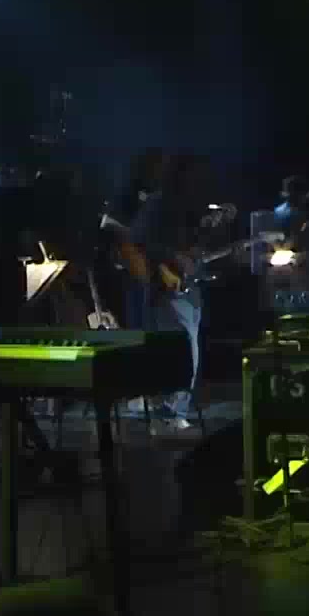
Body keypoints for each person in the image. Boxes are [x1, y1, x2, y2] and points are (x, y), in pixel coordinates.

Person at [128, 153, 212, 428]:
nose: (199, 179)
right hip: (168, 286)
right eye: (195, 174)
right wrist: (171, 259)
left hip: (187, 285)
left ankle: (174, 408)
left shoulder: (186, 205)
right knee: (184, 347)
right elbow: (138, 239)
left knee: (188, 345)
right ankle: (173, 410)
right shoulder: (159, 203)